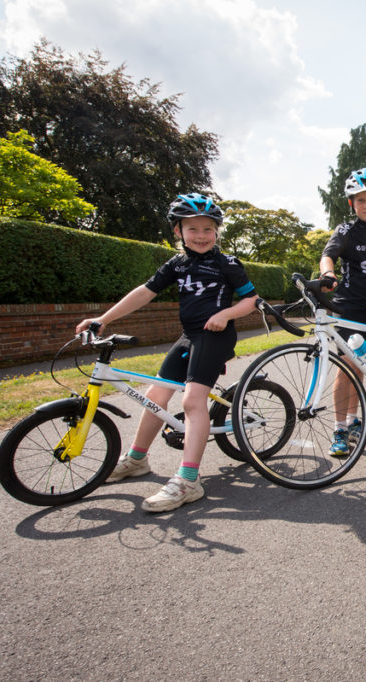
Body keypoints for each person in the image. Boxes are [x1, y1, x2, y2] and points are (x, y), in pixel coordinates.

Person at [74, 193, 258, 512]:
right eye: (193, 229)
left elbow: (251, 300)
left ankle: (189, 481)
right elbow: (144, 293)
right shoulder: (177, 264)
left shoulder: (227, 263)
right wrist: (102, 319)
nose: (201, 236)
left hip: (215, 336)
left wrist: (225, 315)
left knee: (191, 400)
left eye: (207, 229)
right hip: (188, 336)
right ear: (178, 232)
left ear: (216, 231)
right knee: (156, 394)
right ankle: (136, 458)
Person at [319, 168, 366, 456]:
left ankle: (353, 422)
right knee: (346, 368)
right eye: (360, 200)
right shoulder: (345, 231)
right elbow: (328, 255)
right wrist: (327, 274)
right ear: (352, 203)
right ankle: (339, 429)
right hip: (347, 308)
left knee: (360, 368)